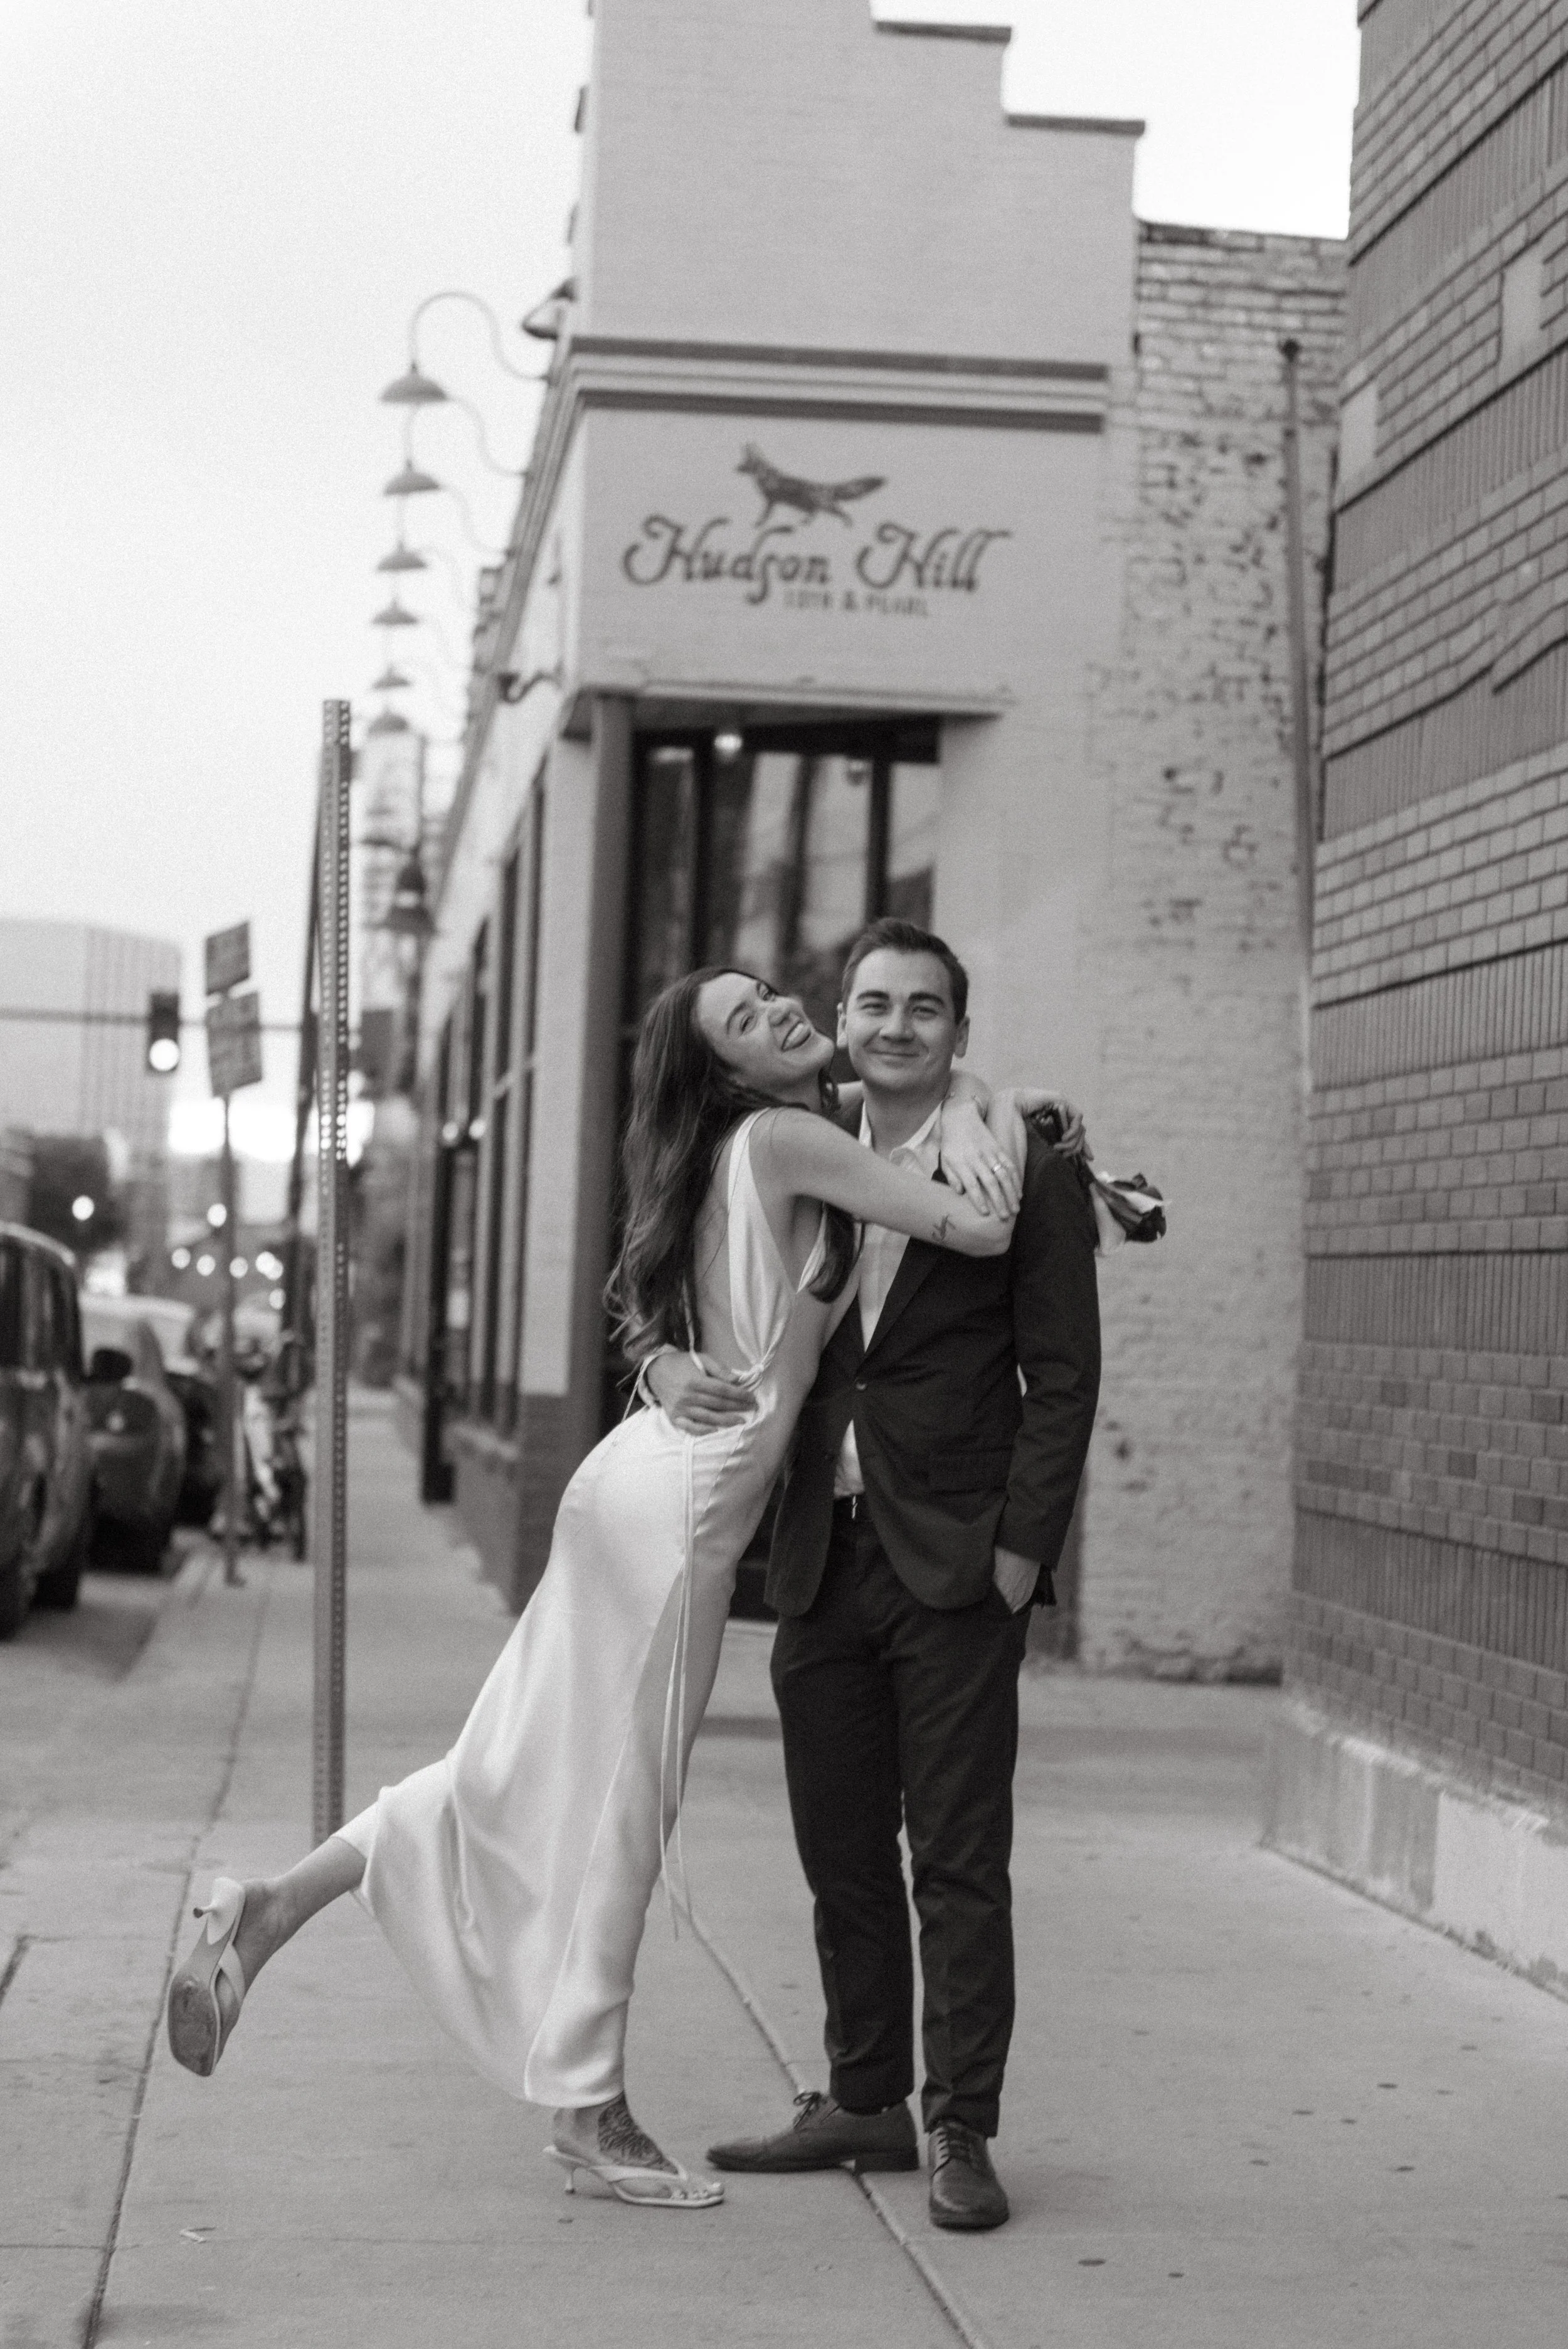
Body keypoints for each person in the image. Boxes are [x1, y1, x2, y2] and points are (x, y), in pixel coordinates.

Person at [165, 965, 1047, 2212]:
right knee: (620, 1815)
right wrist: (1019, 1130)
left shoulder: (758, 1142)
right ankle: (591, 2113)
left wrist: (660, 1356)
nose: (784, 1015)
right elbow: (979, 1224)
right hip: (680, 1514)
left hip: (633, 1484)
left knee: (510, 1765)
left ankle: (267, 1906)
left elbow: (672, 1288)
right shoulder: (792, 1136)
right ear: (729, 1073)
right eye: (748, 1023)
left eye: (772, 996)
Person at [647, 918, 1101, 2233]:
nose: (894, 1025)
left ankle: (960, 2122)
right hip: (818, 1557)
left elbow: (1060, 1375)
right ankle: (862, 2097)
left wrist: (1022, 1552)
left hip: (958, 1558)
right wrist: (656, 1363)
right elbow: (679, 1287)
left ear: (957, 1033)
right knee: (838, 1847)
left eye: (923, 1008)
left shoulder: (1022, 1161)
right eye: (871, 1003)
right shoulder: (791, 1148)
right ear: (842, 1021)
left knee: (956, 1861)